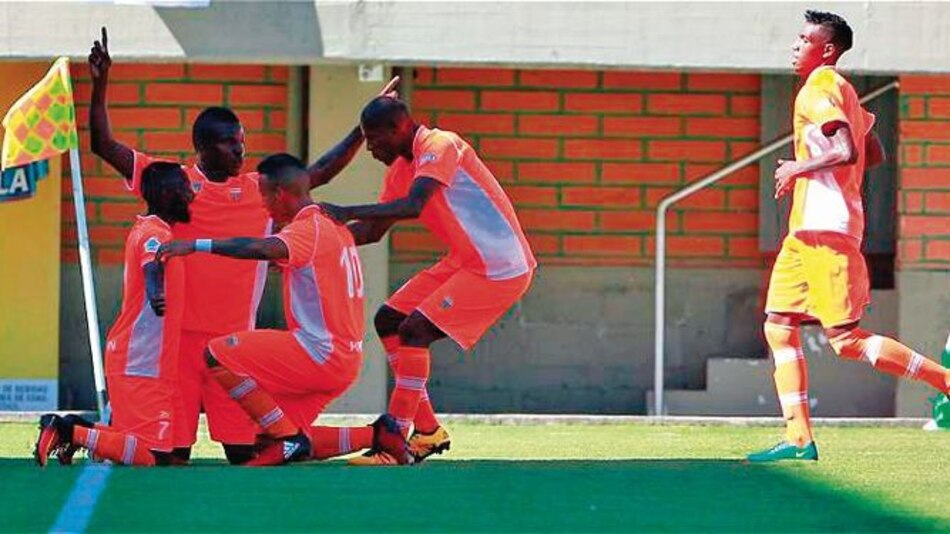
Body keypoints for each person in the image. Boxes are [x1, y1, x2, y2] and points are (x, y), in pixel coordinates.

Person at [87, 27, 398, 464]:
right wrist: (100, 85)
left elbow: (320, 172)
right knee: (171, 459)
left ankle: (371, 436)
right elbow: (103, 145)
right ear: (201, 146)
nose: (240, 149)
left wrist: (361, 131)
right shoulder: (174, 185)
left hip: (232, 344)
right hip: (175, 345)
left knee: (246, 453)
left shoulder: (260, 190)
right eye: (229, 142)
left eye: (242, 140)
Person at [749, 10, 950, 462]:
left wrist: (798, 166)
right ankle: (800, 440)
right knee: (778, 326)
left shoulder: (820, 87)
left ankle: (946, 382)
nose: (795, 46)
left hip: (828, 230)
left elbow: (846, 149)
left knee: (845, 340)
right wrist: (849, 151)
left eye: (804, 40)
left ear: (827, 50)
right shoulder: (840, 91)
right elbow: (870, 150)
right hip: (805, 232)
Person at [319, 96, 537, 465]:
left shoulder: (440, 144)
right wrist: (311, 246)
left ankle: (394, 442)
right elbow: (373, 231)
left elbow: (414, 205)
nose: (370, 148)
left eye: (374, 138)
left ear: (398, 128)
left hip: (499, 268)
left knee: (415, 330)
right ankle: (428, 431)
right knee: (389, 319)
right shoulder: (400, 170)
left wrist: (344, 211)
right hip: (466, 261)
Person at [157, 154, 409, 466]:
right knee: (266, 442)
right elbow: (358, 239)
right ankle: (377, 436)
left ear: (280, 194)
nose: (262, 204)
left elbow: (260, 248)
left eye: (264, 194)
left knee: (217, 353)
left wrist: (195, 244)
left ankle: (290, 440)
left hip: (317, 354)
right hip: (345, 360)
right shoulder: (332, 227)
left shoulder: (306, 230)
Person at [35, 162, 193, 466]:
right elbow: (152, 265)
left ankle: (79, 434)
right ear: (165, 193)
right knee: (154, 456)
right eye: (184, 188)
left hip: (147, 363)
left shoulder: (155, 229)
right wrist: (155, 291)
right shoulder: (153, 232)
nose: (191, 195)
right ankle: (66, 430)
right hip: (140, 362)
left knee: (172, 456)